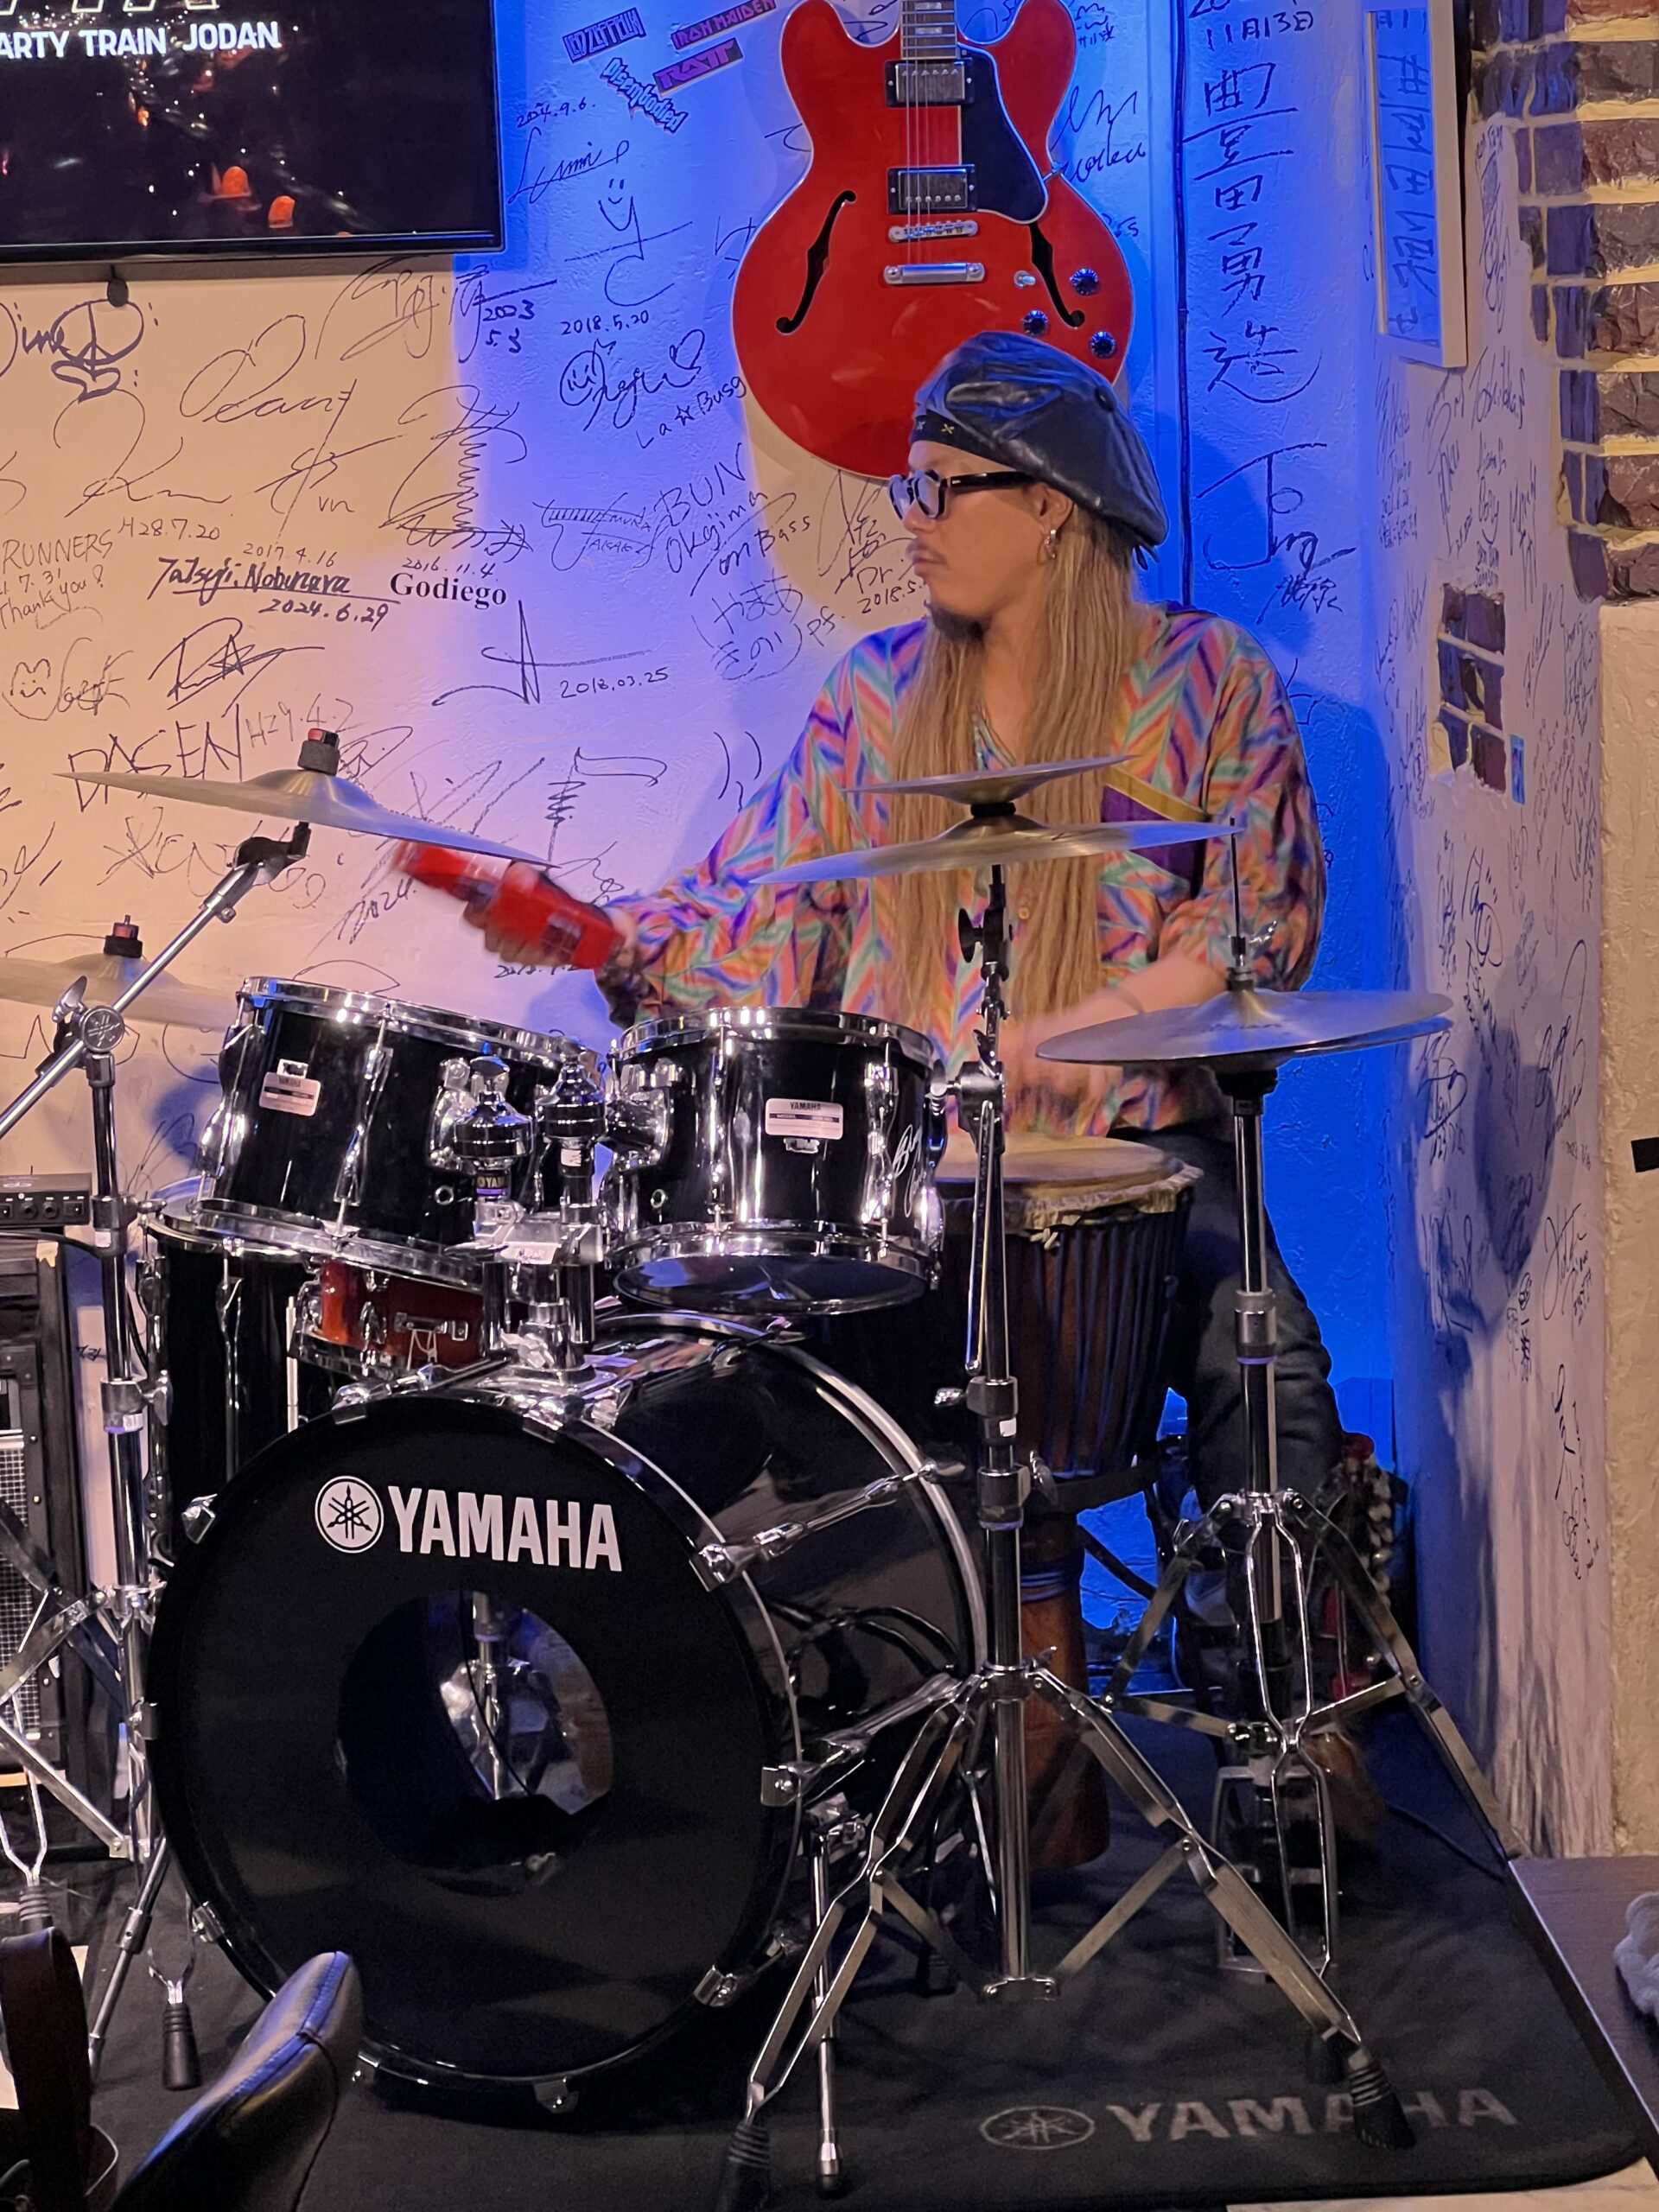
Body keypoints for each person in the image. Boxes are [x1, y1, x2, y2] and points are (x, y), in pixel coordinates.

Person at [416, 329, 1343, 1518]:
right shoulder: (876, 694)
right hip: (910, 1166)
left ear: (1051, 507)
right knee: (719, 1378)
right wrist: (591, 936)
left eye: (943, 489)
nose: (916, 521)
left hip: (1140, 1157)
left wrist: (1079, 1036)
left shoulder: (1210, 678)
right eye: (913, 489)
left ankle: (1261, 1630)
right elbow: (760, 905)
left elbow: (1249, 929)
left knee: (1268, 1363)